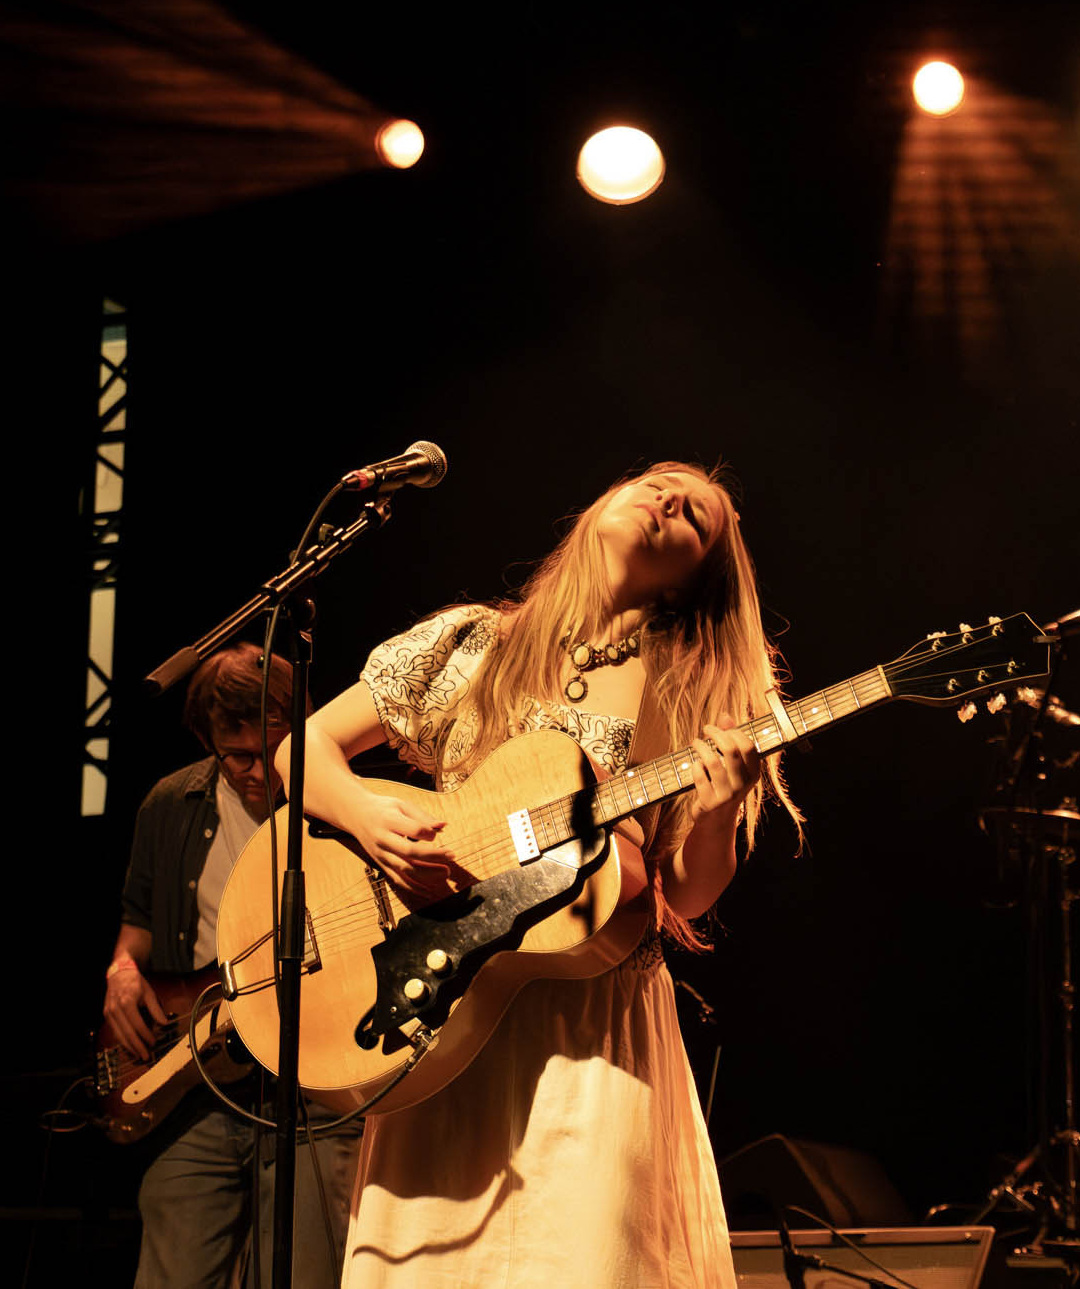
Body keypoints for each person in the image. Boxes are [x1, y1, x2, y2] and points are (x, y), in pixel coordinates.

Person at [290, 461, 800, 1287]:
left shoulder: (690, 689)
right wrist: (367, 816)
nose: (668, 500)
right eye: (659, 483)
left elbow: (689, 891)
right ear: (603, 497)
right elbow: (301, 750)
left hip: (588, 1027)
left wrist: (715, 810)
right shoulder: (471, 642)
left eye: (695, 519)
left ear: (693, 581)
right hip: (445, 1003)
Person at [104, 643, 358, 1288]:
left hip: (312, 1089)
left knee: (311, 1273)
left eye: (271, 752)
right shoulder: (169, 804)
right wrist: (121, 972)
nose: (256, 773)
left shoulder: (339, 802)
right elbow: (137, 929)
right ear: (205, 739)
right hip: (197, 1086)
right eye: (235, 756)